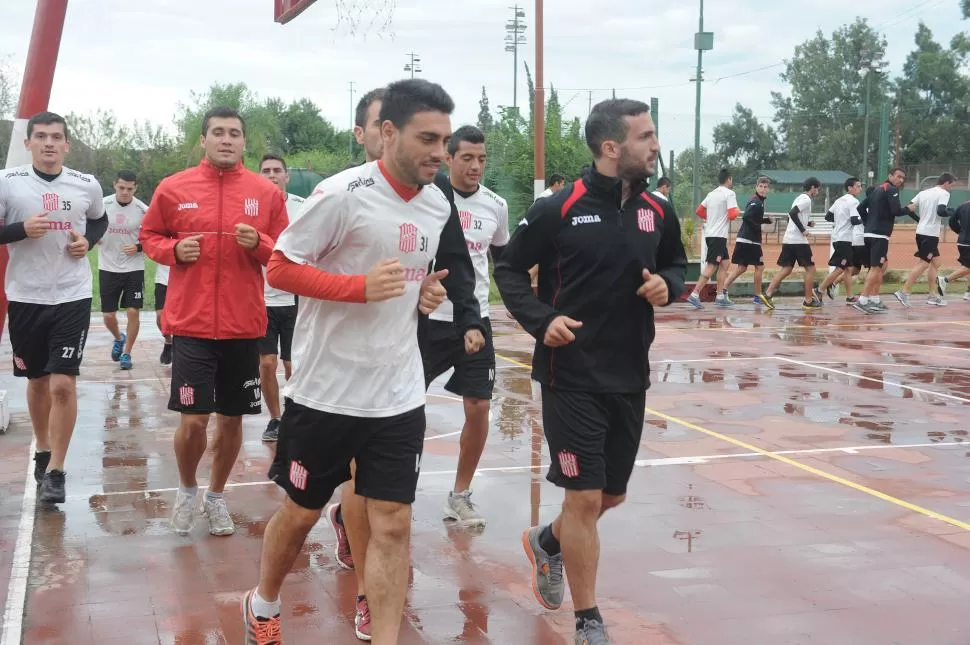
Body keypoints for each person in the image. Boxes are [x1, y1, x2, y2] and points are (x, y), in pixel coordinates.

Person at [242, 79, 484, 645]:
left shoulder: (437, 202)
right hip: (327, 391)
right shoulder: (341, 193)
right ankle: (263, 603)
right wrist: (356, 288)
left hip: (397, 392)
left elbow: (412, 278)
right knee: (301, 513)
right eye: (428, 138)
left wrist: (424, 297)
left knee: (394, 525)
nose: (438, 153)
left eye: (445, 142)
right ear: (389, 133)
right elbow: (278, 266)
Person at [494, 98, 687, 645]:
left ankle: (547, 543)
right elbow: (507, 269)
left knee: (609, 497)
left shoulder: (658, 208)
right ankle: (589, 621)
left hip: (629, 373)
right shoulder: (559, 207)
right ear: (611, 147)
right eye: (645, 136)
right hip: (569, 373)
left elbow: (677, 263)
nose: (654, 145)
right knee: (582, 498)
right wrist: (541, 318)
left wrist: (668, 286)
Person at [139, 106, 288, 536]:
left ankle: (217, 496)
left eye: (234, 133)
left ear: (244, 143)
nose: (226, 139)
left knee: (233, 421)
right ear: (202, 140)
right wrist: (173, 251)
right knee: (193, 421)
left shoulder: (266, 193)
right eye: (218, 132)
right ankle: (187, 490)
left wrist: (259, 242)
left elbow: (284, 251)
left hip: (244, 326)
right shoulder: (173, 188)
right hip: (191, 324)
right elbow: (150, 236)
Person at [0, 111, 108, 503]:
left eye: (56, 137)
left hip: (72, 295)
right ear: (27, 143)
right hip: (26, 296)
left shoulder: (85, 184)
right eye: (41, 136)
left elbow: (99, 220)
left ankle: (58, 470)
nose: (49, 143)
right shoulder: (7, 183)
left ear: (67, 145)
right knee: (37, 382)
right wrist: (19, 230)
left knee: (63, 382)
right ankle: (43, 449)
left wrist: (88, 243)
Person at [420, 124, 509, 527]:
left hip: (476, 322)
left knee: (479, 407)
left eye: (482, 159)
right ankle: (391, 488)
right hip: (425, 322)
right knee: (403, 409)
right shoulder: (427, 198)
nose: (476, 167)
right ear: (449, 158)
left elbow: (503, 261)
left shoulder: (496, 205)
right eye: (467, 158)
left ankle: (460, 495)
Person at [256, 154, 306, 441]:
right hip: (263, 299)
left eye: (277, 171)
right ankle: (275, 419)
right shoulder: (252, 209)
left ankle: (295, 412)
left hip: (297, 298)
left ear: (287, 175)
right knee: (267, 363)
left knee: (292, 364)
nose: (272, 175)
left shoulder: (303, 207)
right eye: (266, 171)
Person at [98, 170, 149, 370]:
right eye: (121, 188)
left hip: (133, 268)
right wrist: (93, 237)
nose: (125, 192)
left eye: (130, 188)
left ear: (135, 188)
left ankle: (127, 353)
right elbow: (88, 226)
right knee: (109, 316)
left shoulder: (144, 210)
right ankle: (119, 338)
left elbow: (154, 237)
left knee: (132, 312)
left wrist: (138, 247)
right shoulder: (102, 205)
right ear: (114, 185)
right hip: (108, 267)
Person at [758, 177, 823, 311]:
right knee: (811, 269)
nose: (817, 191)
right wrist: (803, 230)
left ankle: (768, 293)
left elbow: (791, 217)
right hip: (798, 241)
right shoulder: (806, 199)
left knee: (786, 269)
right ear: (812, 188)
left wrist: (807, 223)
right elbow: (792, 214)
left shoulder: (798, 198)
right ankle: (808, 301)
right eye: (817, 188)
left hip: (789, 239)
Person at [894, 173, 954, 308]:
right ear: (946, 183)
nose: (951, 188)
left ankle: (932, 295)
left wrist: (920, 220)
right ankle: (903, 291)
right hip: (930, 234)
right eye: (951, 185)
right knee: (924, 263)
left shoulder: (923, 193)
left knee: (936, 262)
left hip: (921, 232)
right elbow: (941, 211)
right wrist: (952, 212)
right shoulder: (944, 193)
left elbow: (909, 209)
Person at [855, 168, 910, 313]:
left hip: (870, 234)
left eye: (903, 178)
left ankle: (874, 299)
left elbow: (860, 207)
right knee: (875, 268)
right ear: (890, 176)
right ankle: (863, 300)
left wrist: (868, 224)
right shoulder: (891, 190)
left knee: (882, 265)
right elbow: (896, 211)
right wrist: (909, 209)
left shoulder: (878, 189)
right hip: (879, 235)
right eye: (898, 176)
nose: (901, 180)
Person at [687, 168, 740, 309]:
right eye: (731, 179)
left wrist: (711, 219)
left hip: (712, 234)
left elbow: (699, 211)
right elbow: (732, 214)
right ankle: (694, 294)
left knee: (725, 263)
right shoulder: (729, 193)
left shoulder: (711, 194)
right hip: (717, 236)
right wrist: (738, 211)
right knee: (712, 266)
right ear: (729, 180)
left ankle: (720, 296)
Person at [721, 176, 772, 303]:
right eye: (760, 186)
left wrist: (765, 220)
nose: (762, 189)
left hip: (746, 240)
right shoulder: (757, 202)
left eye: (765, 187)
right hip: (750, 241)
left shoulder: (758, 201)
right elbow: (747, 217)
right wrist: (757, 228)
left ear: (768, 189)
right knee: (759, 267)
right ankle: (757, 296)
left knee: (742, 267)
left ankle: (722, 290)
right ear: (756, 187)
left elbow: (752, 217)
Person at [817, 177, 863, 301]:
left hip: (837, 237)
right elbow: (854, 220)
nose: (860, 189)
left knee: (848, 268)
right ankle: (819, 289)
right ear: (850, 188)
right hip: (845, 239)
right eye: (858, 186)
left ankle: (850, 297)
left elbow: (828, 216)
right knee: (841, 268)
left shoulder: (838, 200)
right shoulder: (853, 201)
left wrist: (841, 221)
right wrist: (865, 218)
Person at [938, 201, 970, 294]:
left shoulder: (962, 205)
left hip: (962, 242)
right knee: (968, 267)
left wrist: (960, 232)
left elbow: (952, 221)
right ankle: (944, 280)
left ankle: (969, 292)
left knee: (967, 267)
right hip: (968, 243)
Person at [154, 262, 173, 364]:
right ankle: (169, 341)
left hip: (182, 280)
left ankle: (179, 346)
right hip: (162, 280)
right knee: (160, 316)